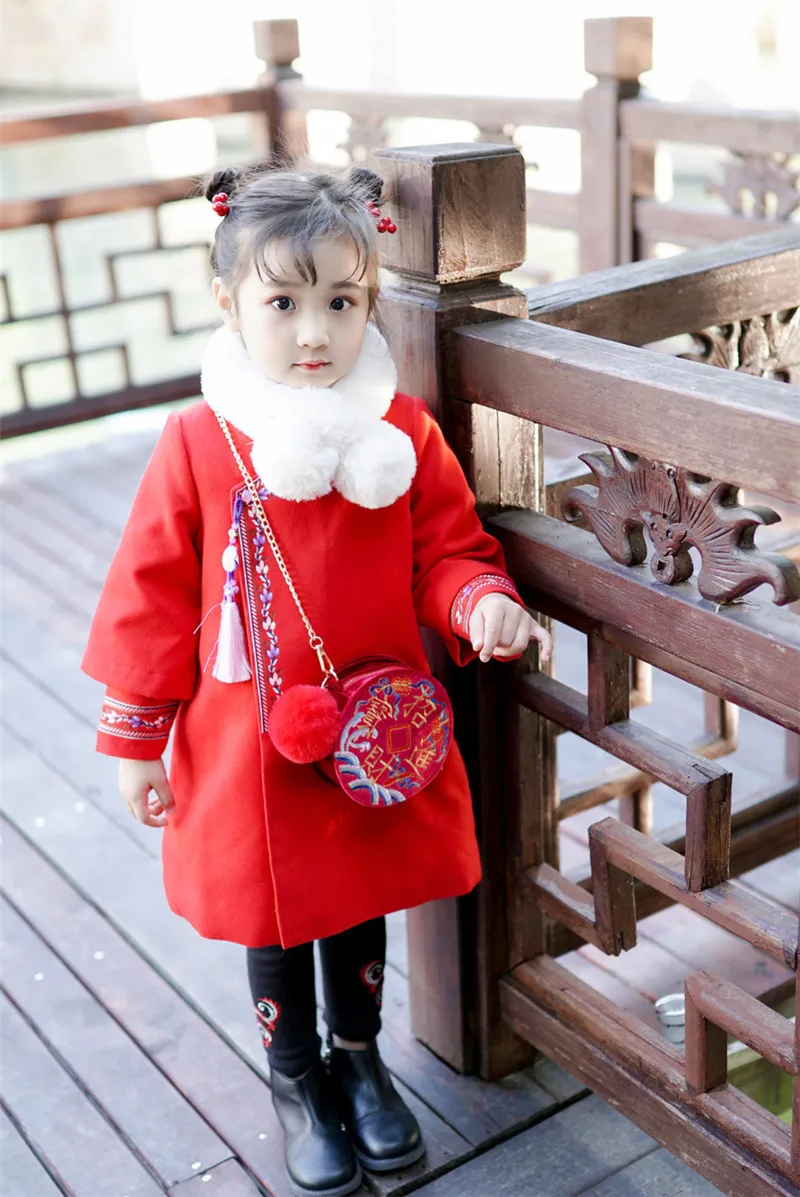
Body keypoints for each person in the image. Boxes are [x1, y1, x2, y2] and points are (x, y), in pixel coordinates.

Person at [83, 163, 552, 1197]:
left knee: (356, 895)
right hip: (243, 737)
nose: (314, 333)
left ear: (369, 301)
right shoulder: (200, 441)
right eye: (283, 303)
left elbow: (447, 554)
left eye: (342, 303)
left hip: (369, 729)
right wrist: (134, 740)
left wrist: (479, 601)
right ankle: (295, 1078)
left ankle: (360, 1059)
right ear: (227, 302)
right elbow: (147, 598)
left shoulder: (401, 434)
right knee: (271, 912)